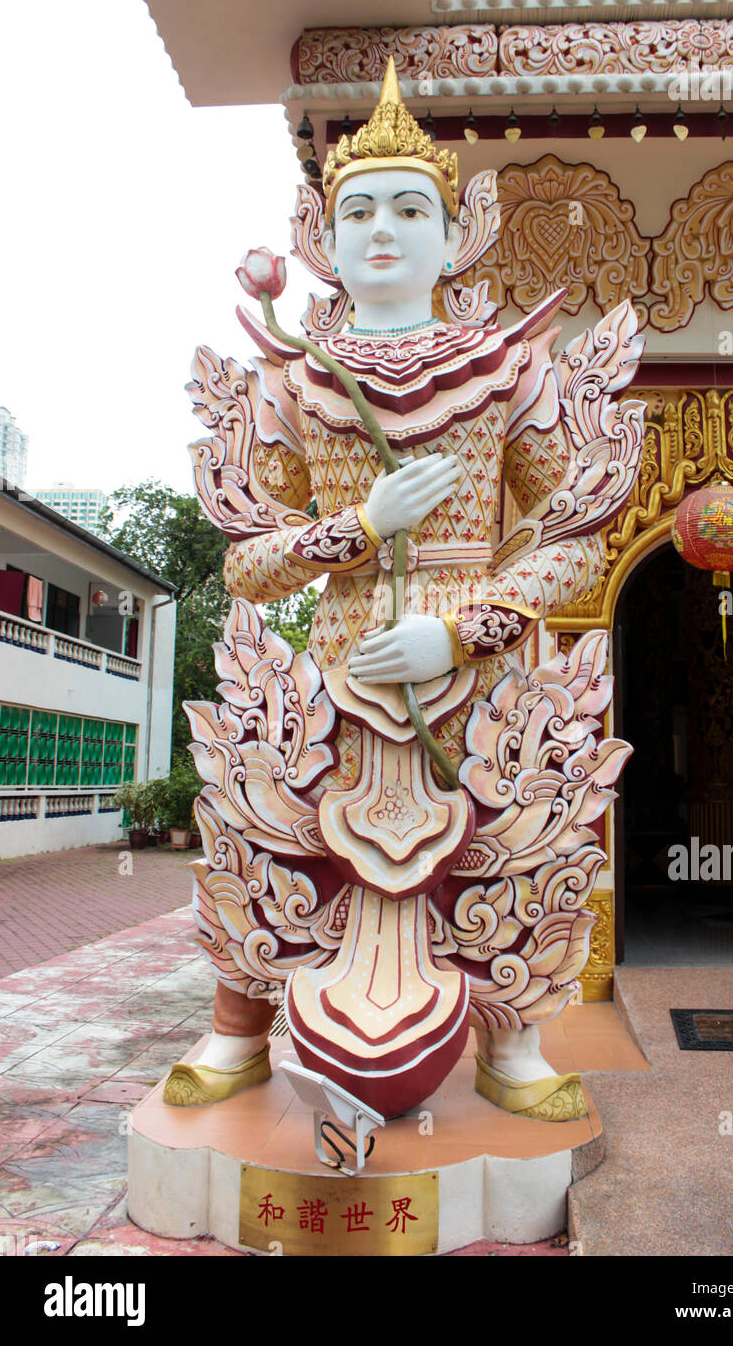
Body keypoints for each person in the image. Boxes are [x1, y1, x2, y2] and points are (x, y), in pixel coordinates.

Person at [165, 59, 644, 1120]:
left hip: (469, 658)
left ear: (452, 234)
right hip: (339, 652)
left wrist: (466, 632)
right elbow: (248, 558)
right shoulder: (294, 379)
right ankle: (238, 1024)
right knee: (275, 820)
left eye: (409, 208)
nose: (383, 229)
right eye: (359, 210)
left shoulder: (507, 369)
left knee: (496, 833)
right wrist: (356, 528)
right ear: (320, 241)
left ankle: (509, 1039)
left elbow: (573, 537)